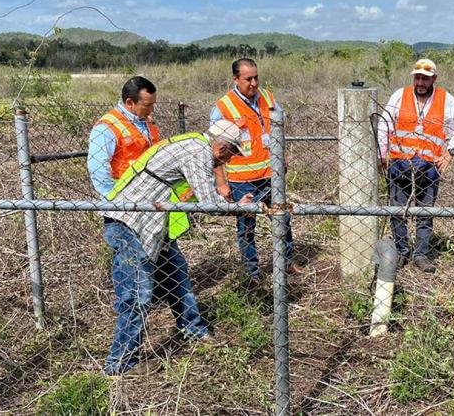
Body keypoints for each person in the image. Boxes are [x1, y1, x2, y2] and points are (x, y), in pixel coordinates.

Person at [97, 120, 253, 376]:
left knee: (177, 276)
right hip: (130, 224)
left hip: (150, 225)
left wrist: (234, 204)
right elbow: (209, 204)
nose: (229, 160)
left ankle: (193, 330)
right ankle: (120, 364)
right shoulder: (198, 151)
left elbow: (203, 196)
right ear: (222, 147)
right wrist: (239, 207)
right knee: (137, 295)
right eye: (232, 154)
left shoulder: (194, 145)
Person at [210, 58, 303, 281]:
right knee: (246, 227)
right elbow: (215, 151)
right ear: (235, 79)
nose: (253, 83)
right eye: (247, 79)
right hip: (242, 180)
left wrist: (282, 157)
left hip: (271, 175)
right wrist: (221, 183)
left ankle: (286, 262)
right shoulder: (223, 107)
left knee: (282, 220)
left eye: (256, 77)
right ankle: (252, 274)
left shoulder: (268, 98)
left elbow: (279, 129)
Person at [377, 58, 454, 273]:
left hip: (429, 168)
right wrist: (382, 156)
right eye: (417, 77)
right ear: (413, 78)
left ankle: (421, 254)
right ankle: (401, 252)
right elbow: (384, 125)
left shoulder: (447, 100)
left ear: (433, 79)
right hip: (399, 165)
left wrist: (450, 152)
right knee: (397, 211)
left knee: (425, 213)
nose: (421, 82)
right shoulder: (399, 96)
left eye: (425, 79)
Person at [88, 76, 159, 199]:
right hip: (121, 203)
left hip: (148, 198)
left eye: (153, 105)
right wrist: (113, 198)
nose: (151, 110)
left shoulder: (146, 122)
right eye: (147, 105)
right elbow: (97, 167)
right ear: (129, 103)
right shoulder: (106, 127)